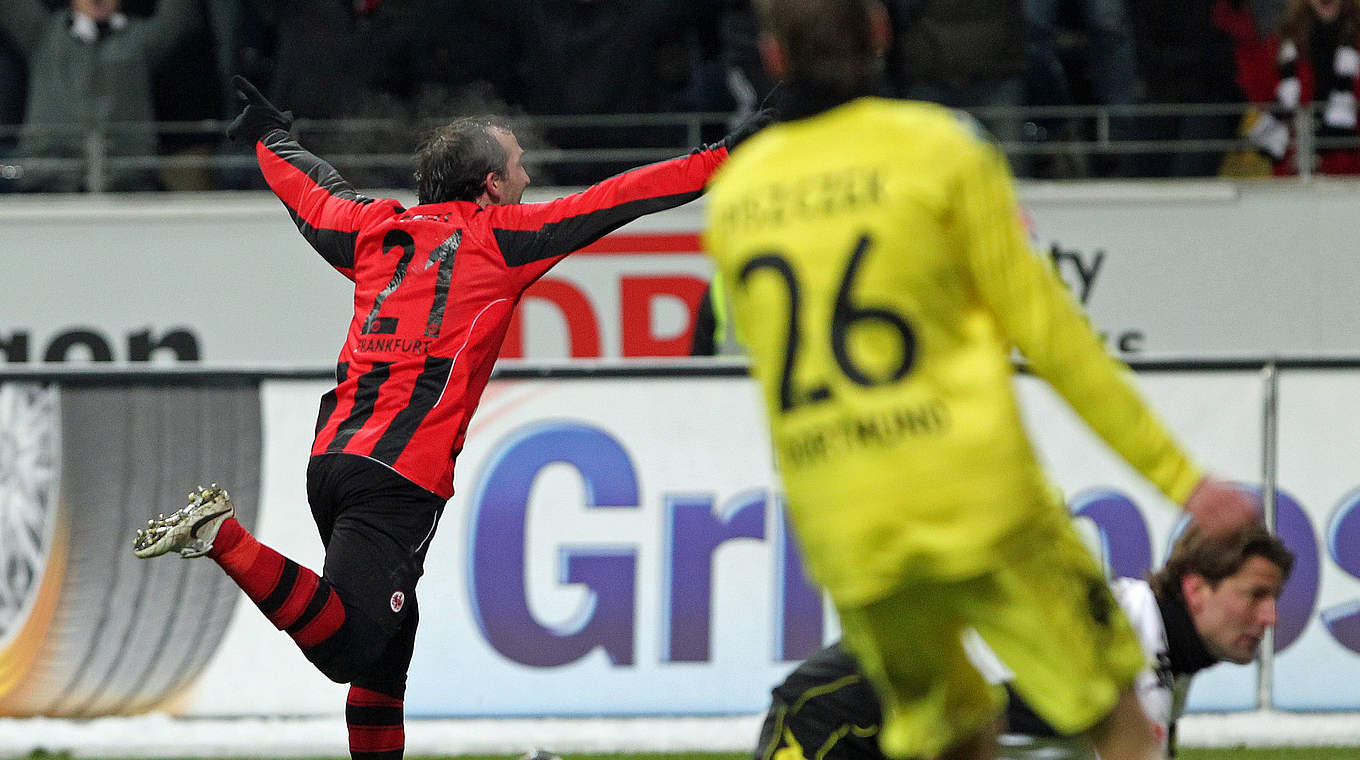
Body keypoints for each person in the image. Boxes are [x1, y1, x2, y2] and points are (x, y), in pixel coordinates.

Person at [132, 76, 770, 760]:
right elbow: (620, 198)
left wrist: (268, 136)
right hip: (400, 476)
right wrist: (730, 153)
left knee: (385, 653)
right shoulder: (501, 238)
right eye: (519, 164)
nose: (529, 175)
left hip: (332, 460)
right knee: (352, 645)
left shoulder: (376, 227)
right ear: (492, 185)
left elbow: (310, 190)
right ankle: (221, 537)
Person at [701, 2, 1260, 759]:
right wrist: (1181, 479)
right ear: (881, 33)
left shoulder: (736, 197)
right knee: (1116, 714)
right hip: (980, 498)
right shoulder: (939, 149)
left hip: (851, 522)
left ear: (770, 57)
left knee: (955, 737)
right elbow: (1051, 334)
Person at [752, 522, 1294, 760]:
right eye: (1255, 595)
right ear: (1197, 589)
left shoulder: (1163, 656)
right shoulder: (1114, 642)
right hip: (835, 715)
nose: (1270, 616)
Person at [0, 0, 203, 192]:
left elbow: (179, 13)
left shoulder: (139, 40)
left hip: (128, 185)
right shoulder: (45, 35)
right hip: (48, 184)